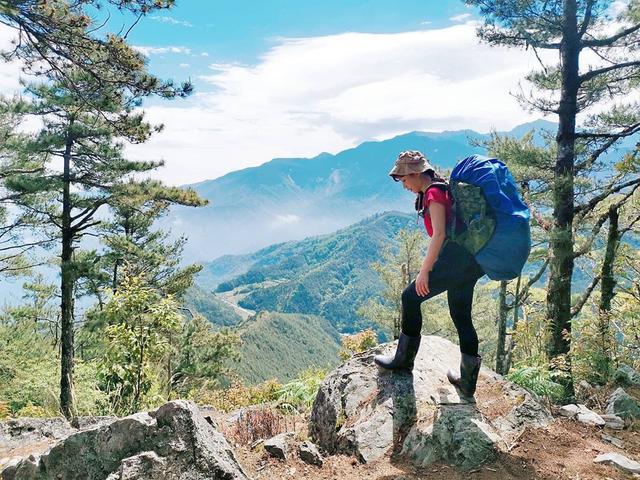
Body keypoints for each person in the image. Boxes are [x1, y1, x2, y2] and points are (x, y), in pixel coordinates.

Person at [374, 150, 486, 399]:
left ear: (415, 174)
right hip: (469, 261)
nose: (403, 185)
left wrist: (424, 272)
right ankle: (467, 382)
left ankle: (404, 360)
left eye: (404, 179)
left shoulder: (434, 194)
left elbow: (439, 234)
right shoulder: (439, 188)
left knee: (410, 297)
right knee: (461, 316)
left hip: (454, 261)